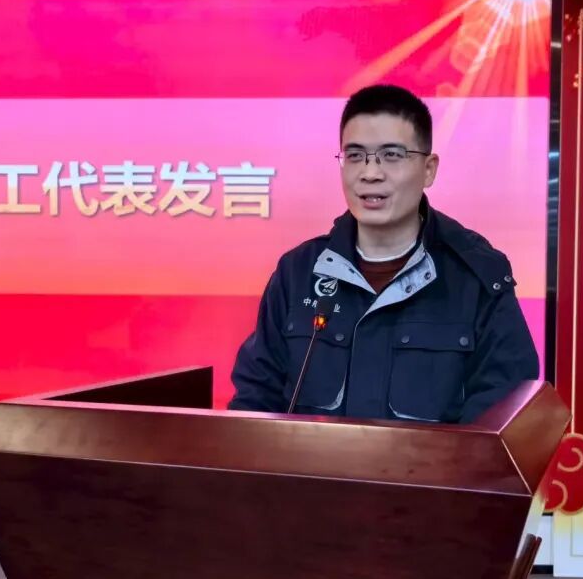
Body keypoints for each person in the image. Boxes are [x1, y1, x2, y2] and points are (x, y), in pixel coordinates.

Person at [227, 84, 539, 424]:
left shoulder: (476, 279)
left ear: (429, 169)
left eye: (392, 156)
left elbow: (503, 415)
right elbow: (254, 400)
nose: (370, 173)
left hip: (433, 463)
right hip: (309, 463)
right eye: (355, 156)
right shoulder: (298, 272)